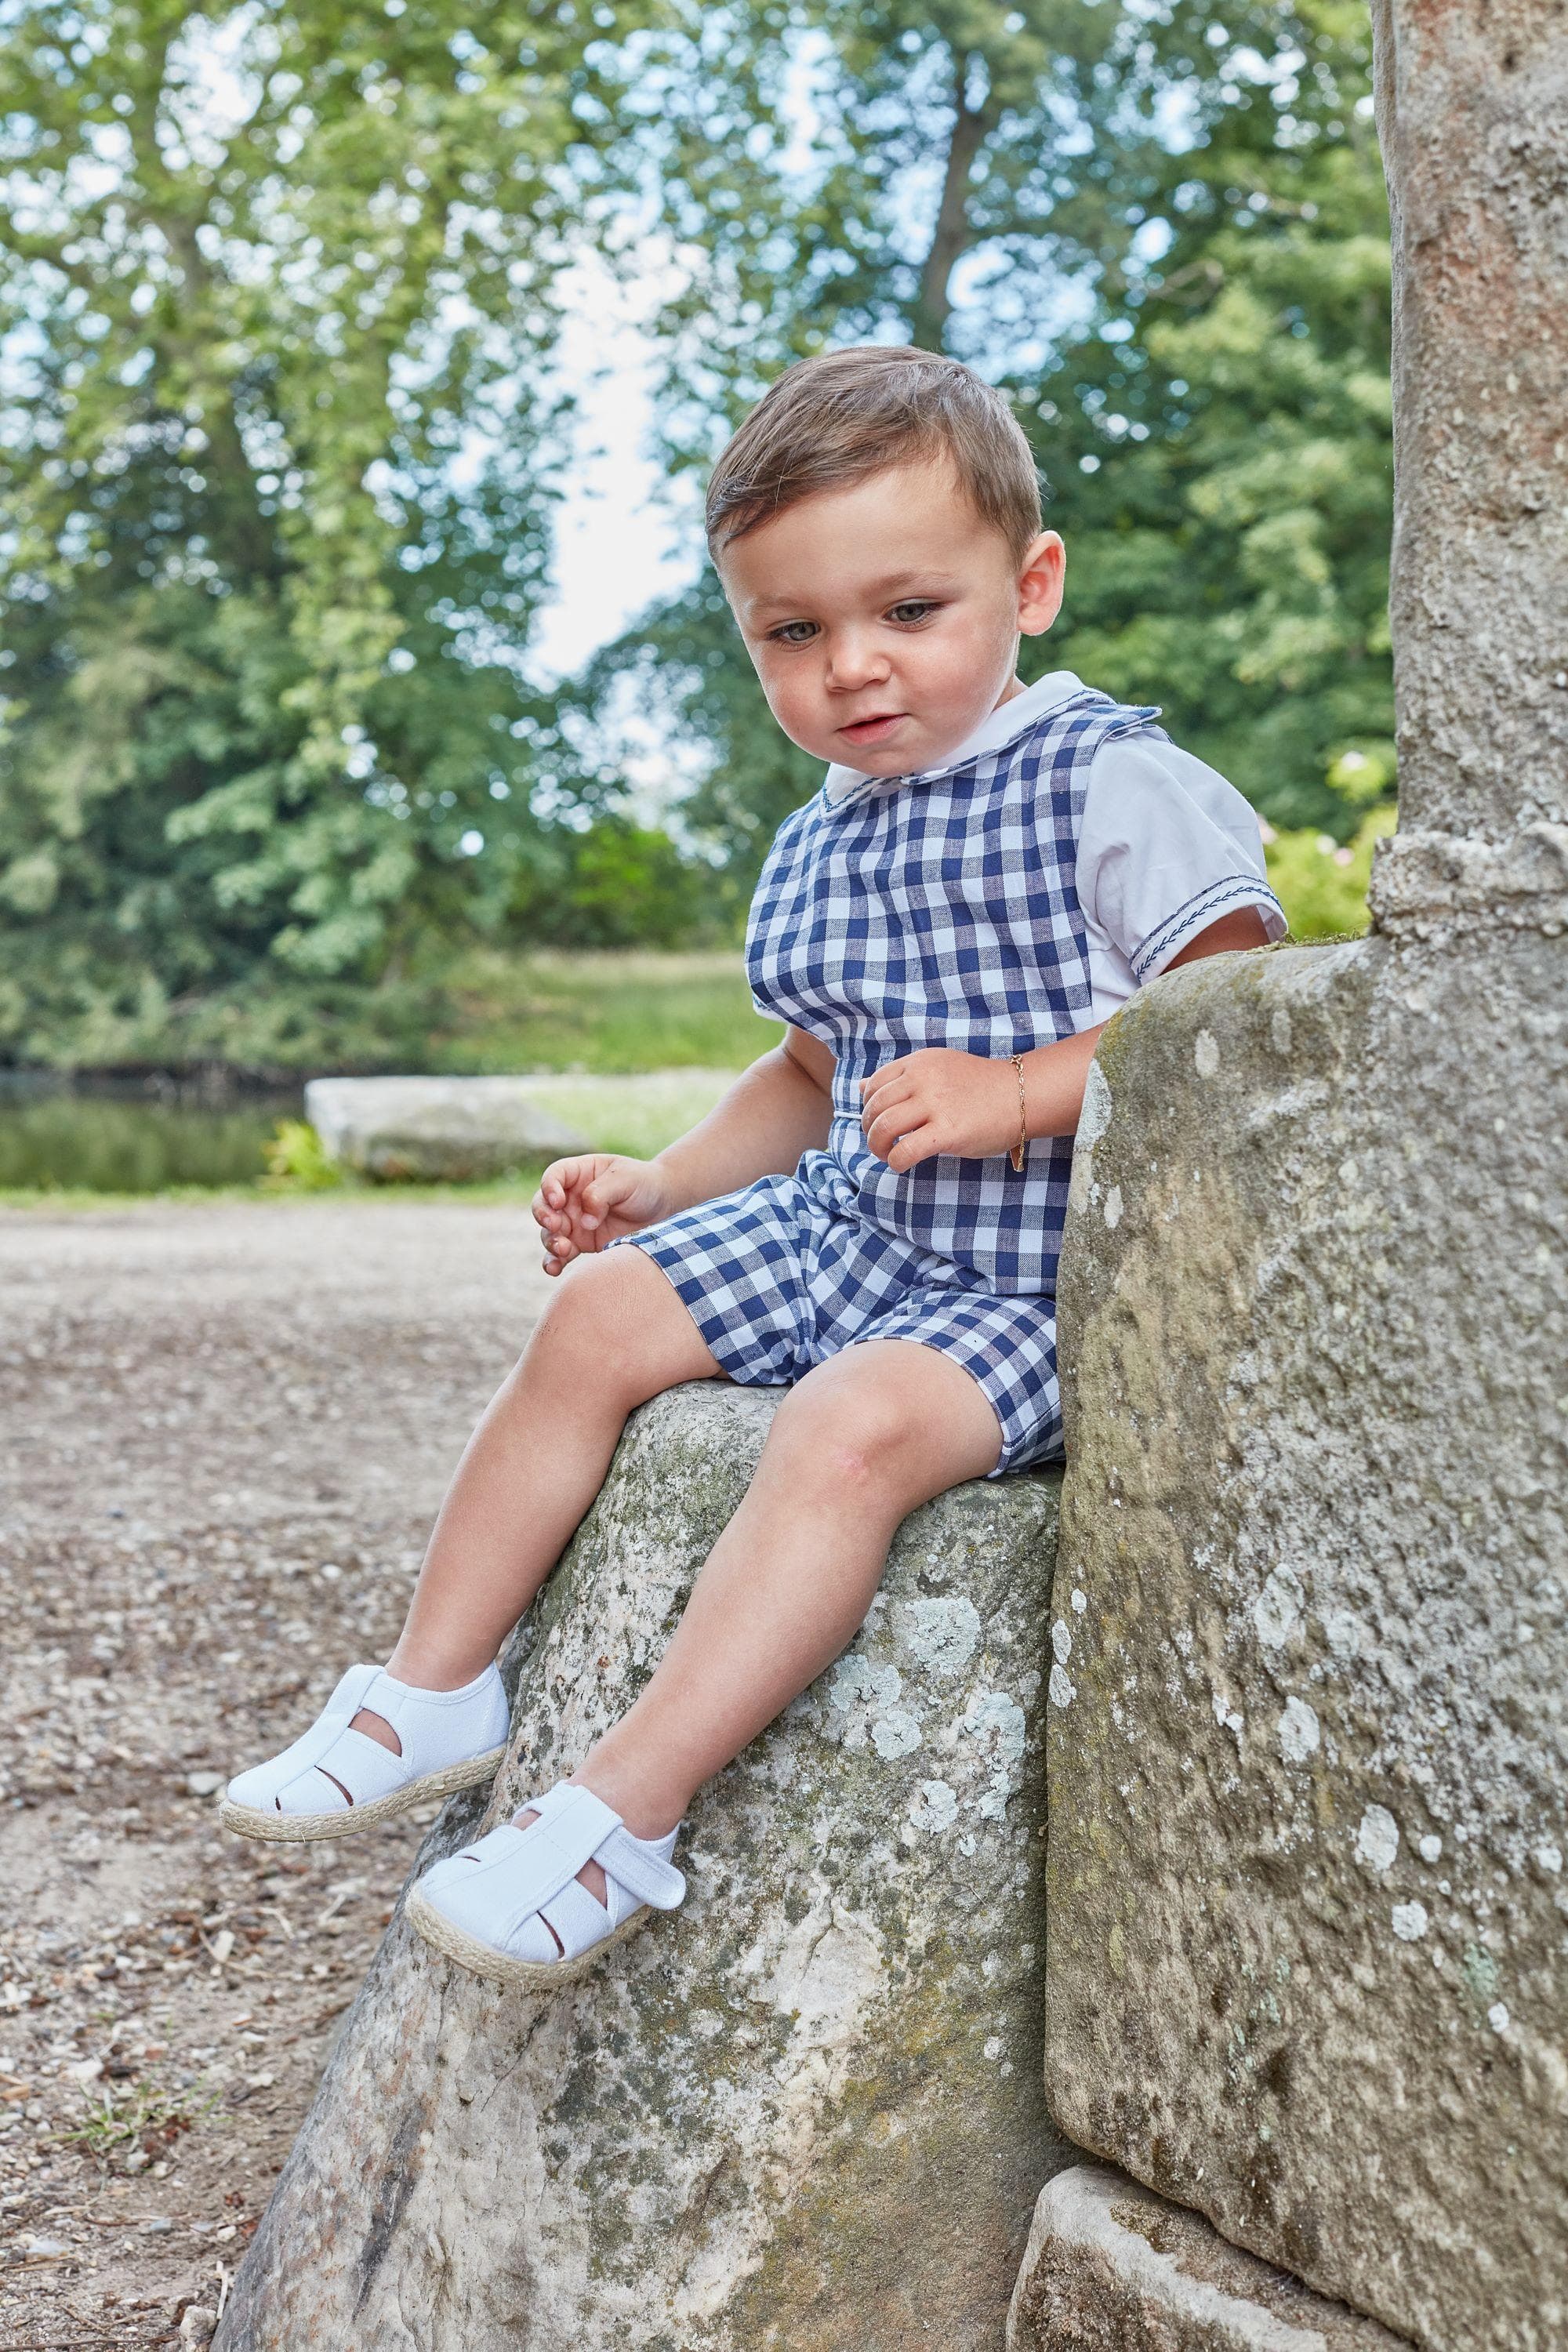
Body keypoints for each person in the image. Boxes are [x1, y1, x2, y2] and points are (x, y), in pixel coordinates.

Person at [222, 346, 1286, 1988]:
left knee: (845, 1427)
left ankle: (616, 1817)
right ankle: (433, 1687)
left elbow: (1226, 1024)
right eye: (791, 634)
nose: (851, 669)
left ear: (1033, 584)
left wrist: (1016, 1092)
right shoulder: (824, 833)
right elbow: (810, 1067)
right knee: (598, 1320)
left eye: (909, 613)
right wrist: (664, 1182)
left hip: (1030, 1283)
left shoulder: (1108, 783)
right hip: (843, 1228)